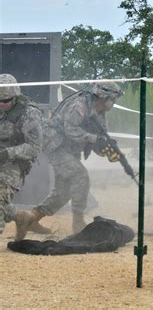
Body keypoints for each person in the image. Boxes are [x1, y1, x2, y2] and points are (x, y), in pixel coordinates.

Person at [25, 82, 123, 234]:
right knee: (80, 176)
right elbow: (70, 130)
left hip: (70, 150)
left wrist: (108, 149)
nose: (114, 103)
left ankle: (30, 219)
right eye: (113, 99)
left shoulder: (100, 113)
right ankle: (78, 223)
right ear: (104, 97)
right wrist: (95, 139)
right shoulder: (80, 105)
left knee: (63, 192)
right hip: (57, 146)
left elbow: (98, 138)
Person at [0, 73, 46, 241]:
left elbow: (34, 148)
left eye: (5, 101)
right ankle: (21, 218)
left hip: (15, 163)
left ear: (15, 97)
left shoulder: (29, 114)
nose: (1, 104)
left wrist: (7, 153)